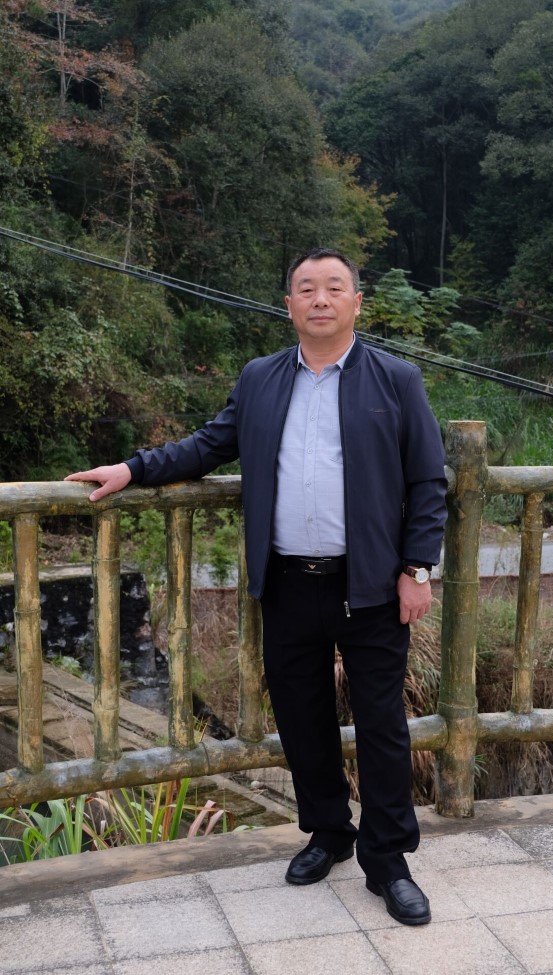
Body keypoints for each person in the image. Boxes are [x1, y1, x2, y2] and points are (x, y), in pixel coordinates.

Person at [65, 248, 447, 925]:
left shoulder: (396, 379)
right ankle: (328, 832)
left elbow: (427, 479)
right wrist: (133, 468)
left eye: (335, 288)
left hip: (371, 586)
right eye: (307, 288)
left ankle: (388, 860)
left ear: (357, 303)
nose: (321, 299)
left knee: (382, 727)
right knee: (302, 718)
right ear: (289, 304)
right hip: (288, 582)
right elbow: (206, 446)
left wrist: (417, 569)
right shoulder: (261, 378)